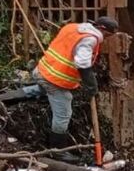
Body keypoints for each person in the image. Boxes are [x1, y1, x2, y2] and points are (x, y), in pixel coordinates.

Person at [35, 16, 120, 151]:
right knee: (63, 113)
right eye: (108, 35)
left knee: (43, 89)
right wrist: (91, 84)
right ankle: (57, 150)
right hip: (53, 79)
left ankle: (15, 94)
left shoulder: (73, 28)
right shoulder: (90, 38)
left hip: (43, 70)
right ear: (102, 29)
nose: (107, 38)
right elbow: (82, 62)